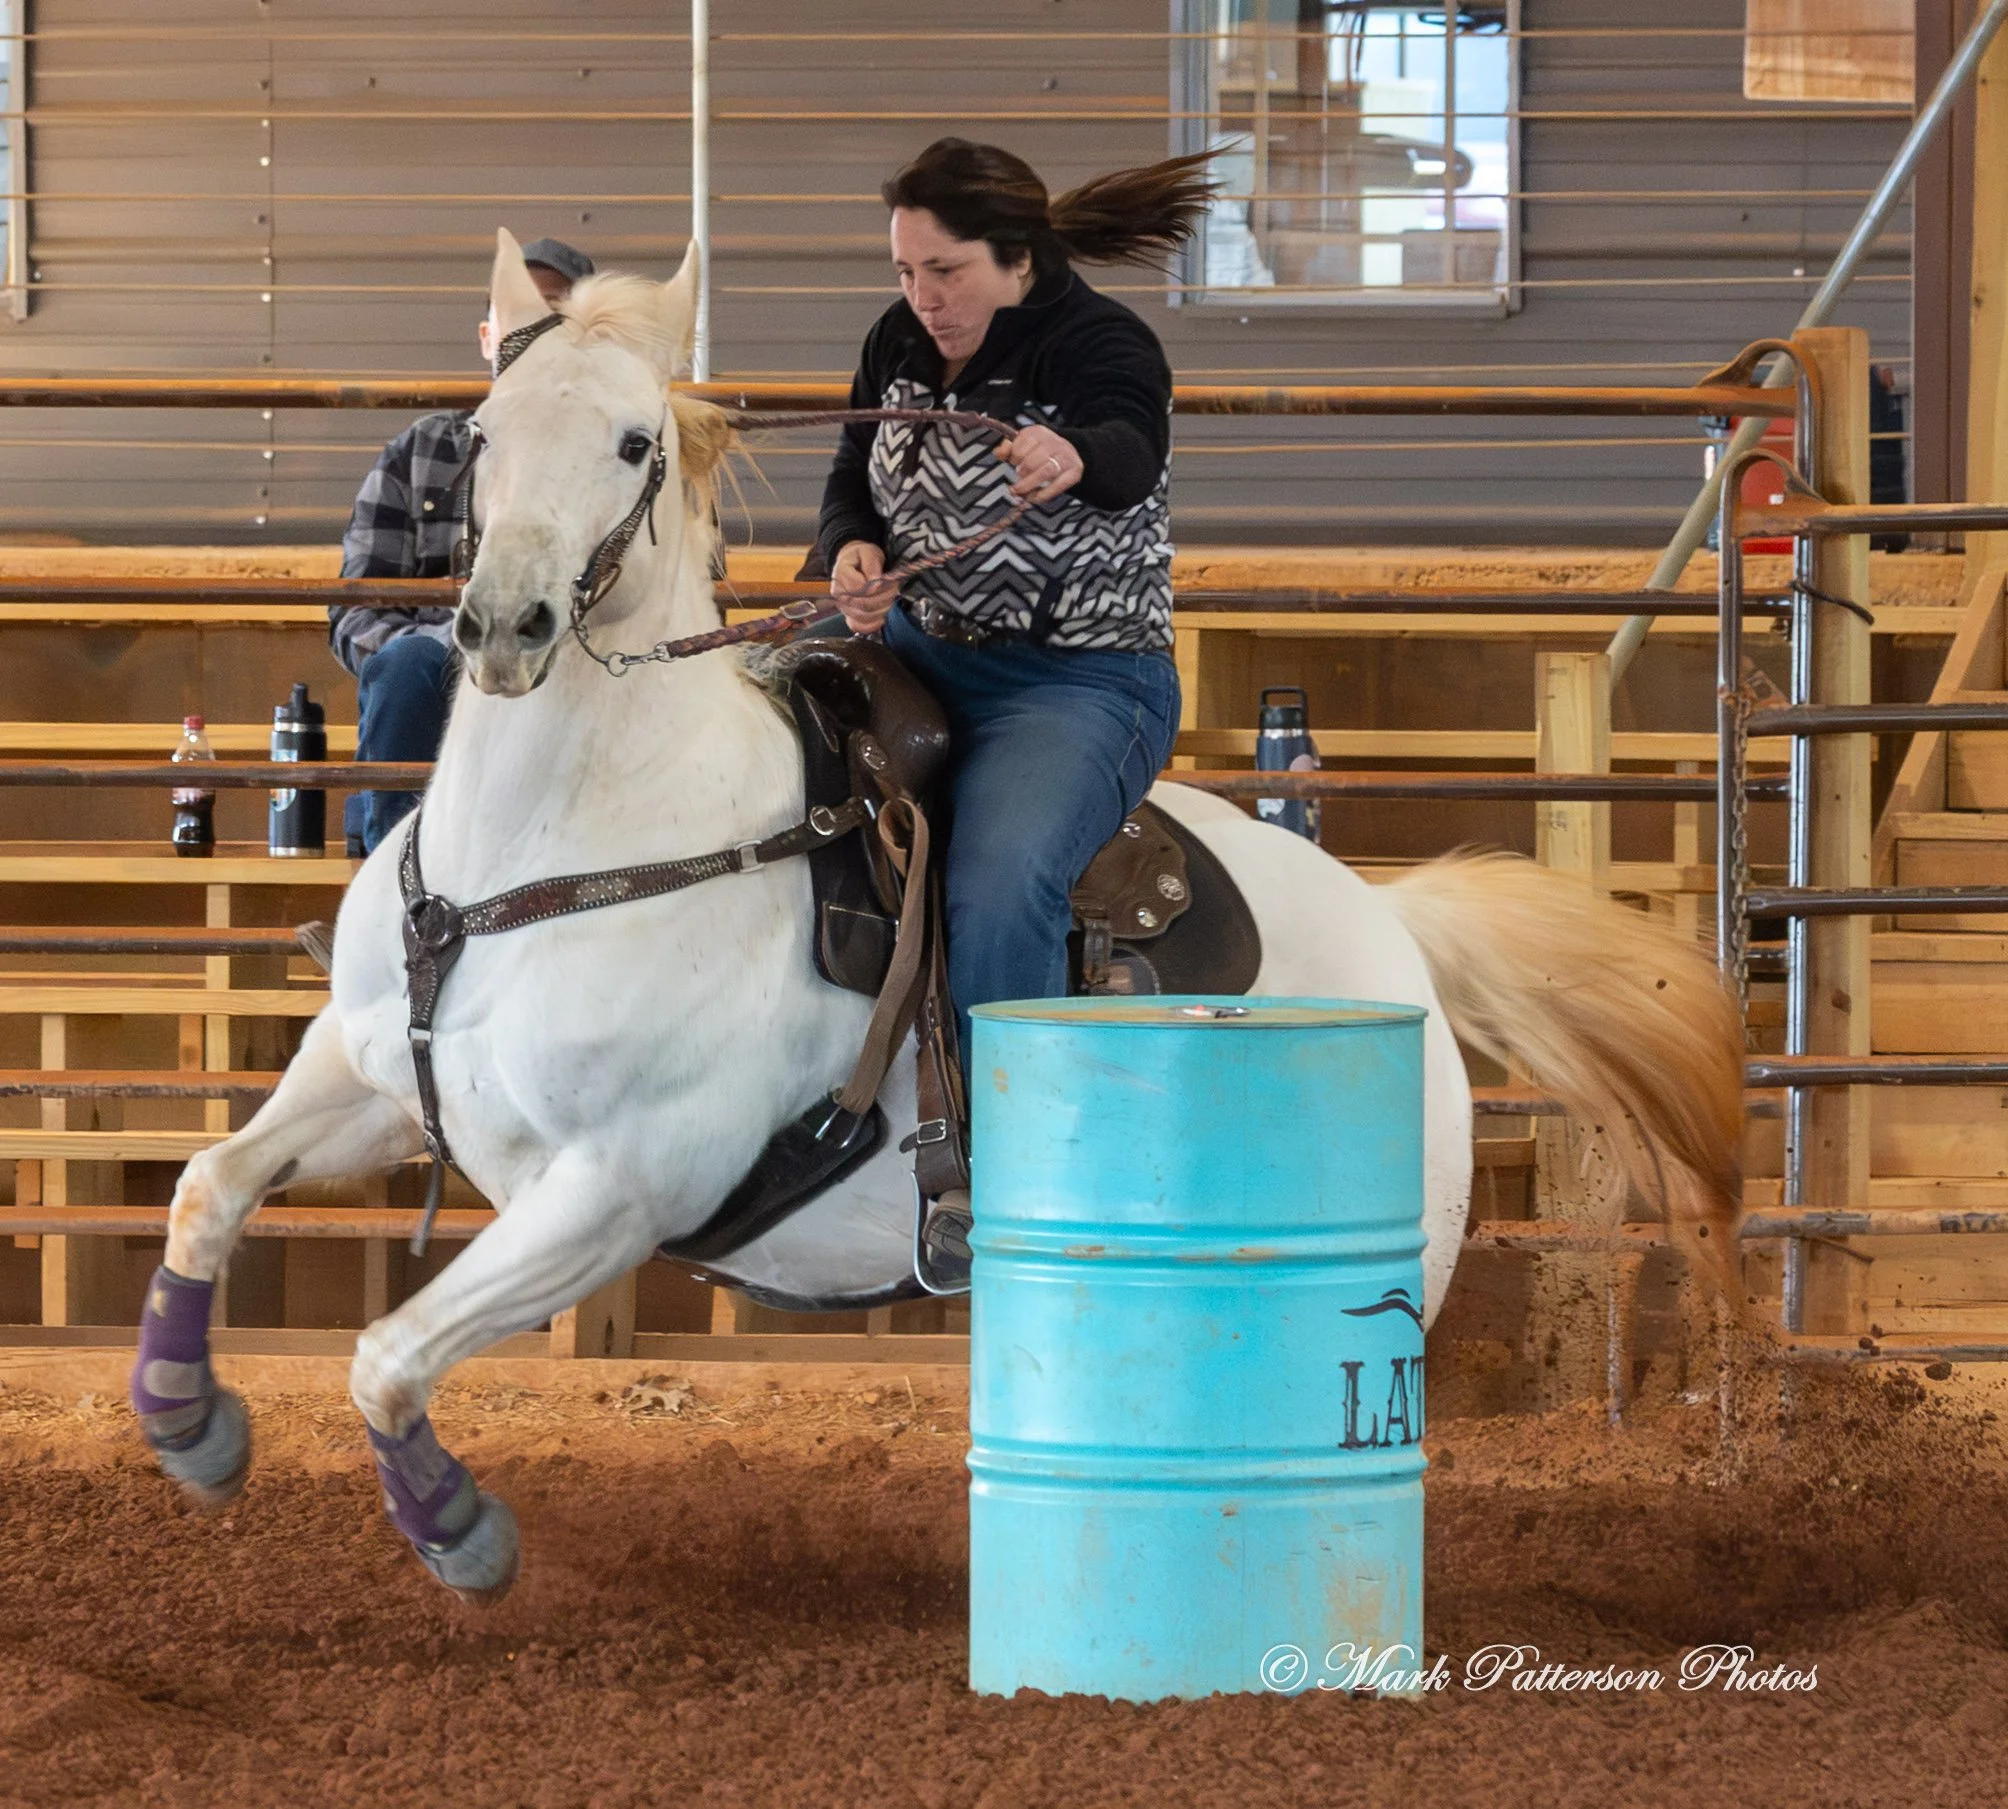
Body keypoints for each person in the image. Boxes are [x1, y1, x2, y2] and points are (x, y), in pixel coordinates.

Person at [817, 137, 1213, 1062]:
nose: (924, 297)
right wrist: (851, 549)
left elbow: (1130, 449)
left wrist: (1075, 453)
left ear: (1019, 261)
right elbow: (851, 474)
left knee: (1001, 884)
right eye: (907, 271)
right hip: (911, 649)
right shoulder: (896, 341)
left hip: (1079, 682)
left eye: (946, 271)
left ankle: (1006, 1127)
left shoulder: (1102, 342)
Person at [332, 236, 594, 856]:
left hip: (569, 677)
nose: (533, 334)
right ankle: (395, 882)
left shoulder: (615, 451)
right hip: (436, 682)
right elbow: (355, 612)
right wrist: (454, 649)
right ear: (486, 338)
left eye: (554, 315)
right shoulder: (419, 450)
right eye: (516, 318)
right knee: (405, 666)